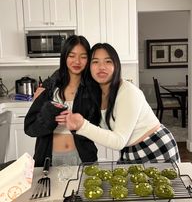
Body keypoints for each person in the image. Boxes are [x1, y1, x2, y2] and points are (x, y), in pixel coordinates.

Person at [56, 43, 180, 163]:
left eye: (108, 61)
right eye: (95, 62)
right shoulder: (96, 94)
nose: (101, 67)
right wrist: (46, 87)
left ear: (116, 65)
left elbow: (118, 141)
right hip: (129, 152)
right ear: (89, 67)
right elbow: (64, 74)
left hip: (156, 148)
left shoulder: (128, 92)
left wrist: (82, 125)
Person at [24, 35, 100, 167]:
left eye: (83, 56)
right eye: (72, 55)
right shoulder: (49, 88)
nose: (77, 61)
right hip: (49, 159)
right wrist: (49, 117)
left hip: (83, 159)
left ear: (88, 59)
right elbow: (30, 128)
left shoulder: (93, 89)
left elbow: (100, 126)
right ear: (64, 57)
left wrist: (78, 123)